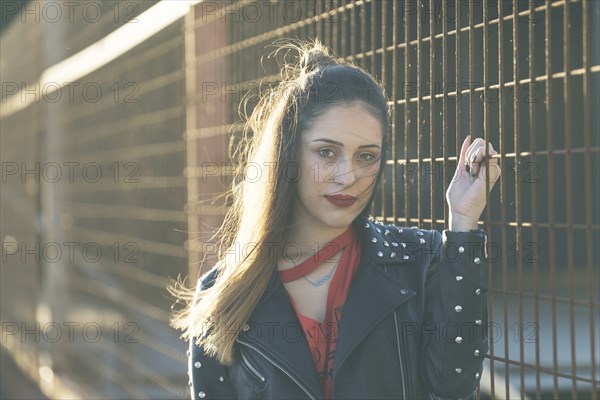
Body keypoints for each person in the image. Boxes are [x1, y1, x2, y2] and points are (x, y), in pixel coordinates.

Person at [169, 38, 501, 400]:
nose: (348, 177)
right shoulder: (222, 294)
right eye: (327, 152)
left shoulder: (422, 260)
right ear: (288, 154)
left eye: (366, 156)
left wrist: (463, 223)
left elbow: (453, 387)